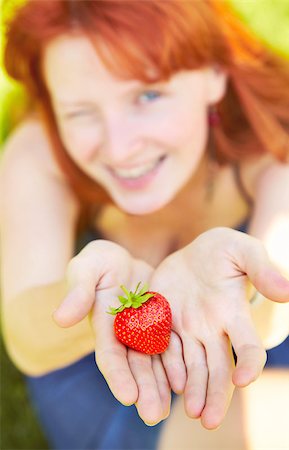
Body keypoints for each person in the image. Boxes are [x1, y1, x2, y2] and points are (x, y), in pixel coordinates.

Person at [1, 0, 289, 449]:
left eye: (148, 95)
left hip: (261, 358)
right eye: (79, 111)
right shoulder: (38, 153)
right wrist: (91, 301)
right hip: (106, 377)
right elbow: (26, 337)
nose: (119, 148)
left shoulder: (275, 150)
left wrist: (246, 290)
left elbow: (274, 307)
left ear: (214, 73)